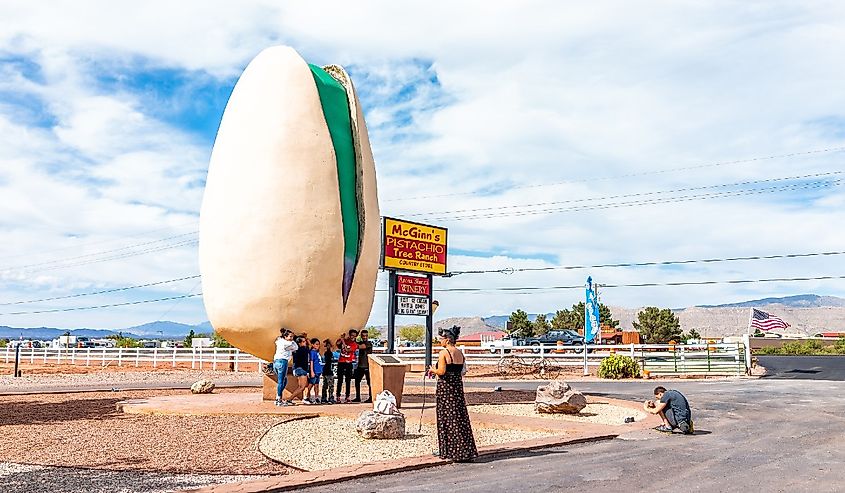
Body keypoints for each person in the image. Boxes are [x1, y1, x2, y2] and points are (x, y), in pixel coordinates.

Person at [427, 325, 478, 462]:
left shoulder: (444, 353)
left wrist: (433, 370)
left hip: (446, 388)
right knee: (459, 417)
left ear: (448, 340)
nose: (440, 341)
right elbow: (462, 371)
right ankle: (465, 450)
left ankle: (449, 450)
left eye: (441, 339)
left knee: (447, 418)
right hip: (457, 387)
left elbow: (442, 372)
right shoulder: (460, 353)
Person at [273, 329, 298, 406]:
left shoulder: (279, 341)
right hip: (283, 362)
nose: (292, 338)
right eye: (290, 336)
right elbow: (296, 347)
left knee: (284, 380)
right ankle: (278, 399)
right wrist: (293, 341)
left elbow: (277, 339)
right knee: (281, 381)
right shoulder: (288, 343)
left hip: (276, 362)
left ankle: (278, 396)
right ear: (285, 336)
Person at [335, 329, 358, 403]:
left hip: (349, 363)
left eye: (354, 336)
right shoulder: (345, 340)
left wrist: (343, 341)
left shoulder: (354, 344)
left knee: (348, 380)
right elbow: (338, 345)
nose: (353, 337)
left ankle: (347, 396)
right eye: (352, 335)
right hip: (341, 362)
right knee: (340, 380)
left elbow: (347, 350)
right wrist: (341, 339)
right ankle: (338, 396)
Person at [352, 329, 373, 403]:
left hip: (367, 366)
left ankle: (371, 397)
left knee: (369, 382)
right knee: (357, 381)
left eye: (366, 336)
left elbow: (360, 346)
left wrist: (353, 342)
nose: (365, 337)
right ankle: (358, 397)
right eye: (363, 336)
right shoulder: (360, 342)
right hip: (360, 366)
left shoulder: (369, 344)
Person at [289, 336, 310, 404]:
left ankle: (305, 398)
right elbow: (308, 347)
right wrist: (307, 339)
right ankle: (289, 399)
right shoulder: (303, 349)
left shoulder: (296, 350)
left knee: (305, 385)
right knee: (302, 387)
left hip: (297, 369)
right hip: (301, 369)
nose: (305, 343)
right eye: (303, 341)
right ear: (299, 343)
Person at [304, 338, 323, 404]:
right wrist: (312, 371)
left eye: (318, 344)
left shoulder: (316, 352)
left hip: (318, 371)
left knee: (316, 385)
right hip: (314, 371)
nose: (318, 346)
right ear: (313, 345)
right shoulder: (312, 352)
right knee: (311, 384)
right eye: (316, 344)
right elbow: (311, 362)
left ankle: (316, 397)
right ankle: (306, 397)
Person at [321, 338, 336, 404]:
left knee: (325, 385)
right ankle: (330, 398)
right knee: (330, 385)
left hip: (326, 370)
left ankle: (324, 398)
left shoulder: (327, 352)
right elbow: (333, 347)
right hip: (328, 370)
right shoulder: (327, 352)